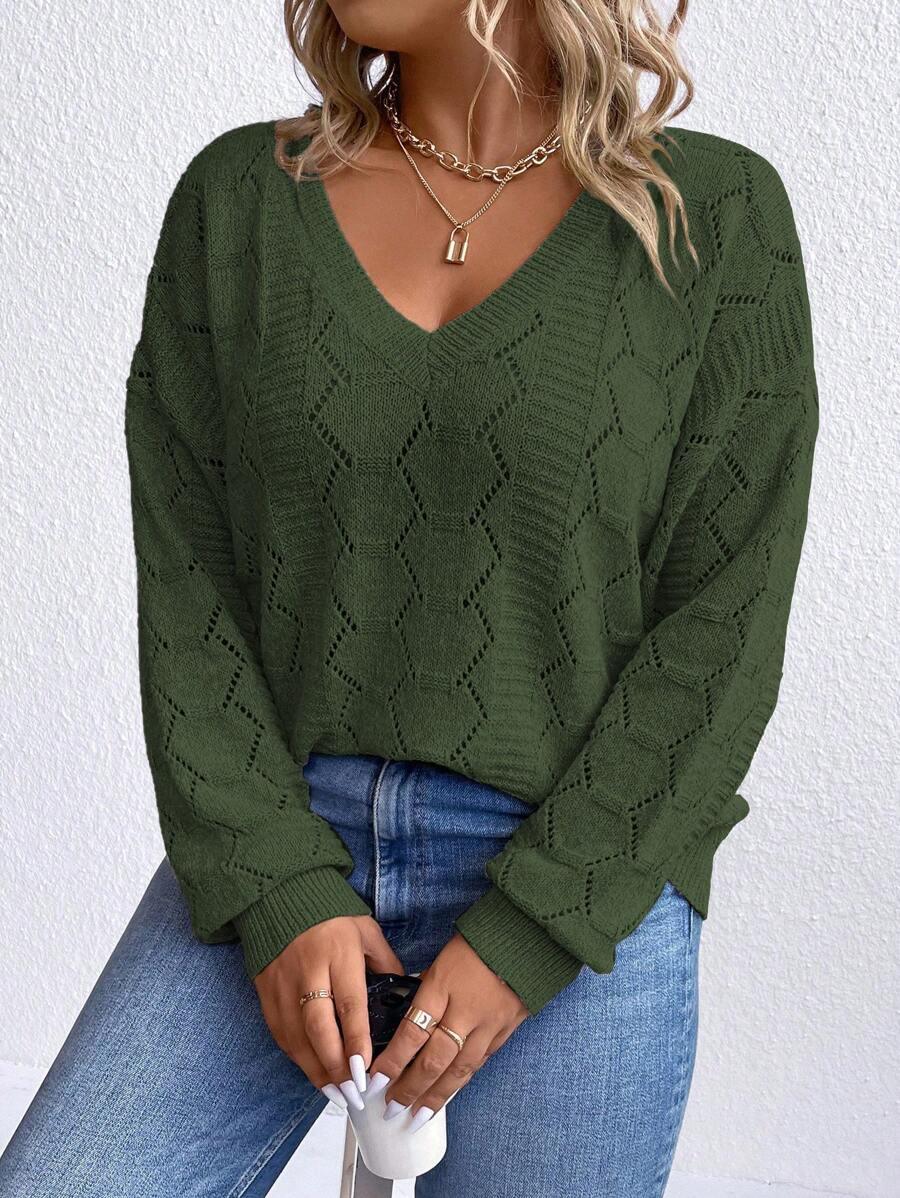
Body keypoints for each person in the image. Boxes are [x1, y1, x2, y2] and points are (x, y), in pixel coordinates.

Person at [0, 1, 819, 1194]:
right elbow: (188, 585)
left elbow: (722, 628)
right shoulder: (241, 204)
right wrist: (276, 887)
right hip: (281, 843)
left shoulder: (714, 221)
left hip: (579, 878)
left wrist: (534, 928)